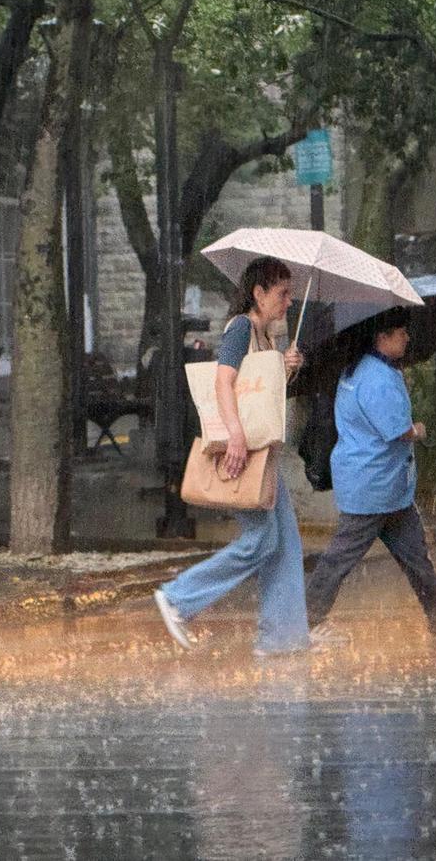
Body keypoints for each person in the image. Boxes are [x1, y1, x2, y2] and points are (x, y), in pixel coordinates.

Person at [154, 257, 315, 657]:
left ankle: (281, 639)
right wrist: (236, 438)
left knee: (286, 544)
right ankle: (178, 596)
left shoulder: (266, 337)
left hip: (261, 455)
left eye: (291, 293)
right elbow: (224, 381)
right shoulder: (241, 328)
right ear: (258, 293)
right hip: (243, 453)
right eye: (282, 293)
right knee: (264, 540)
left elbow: (258, 393)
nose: (289, 301)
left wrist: (285, 367)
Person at [304, 307, 436, 639]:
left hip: (382, 486)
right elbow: (396, 430)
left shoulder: (359, 369)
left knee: (414, 555)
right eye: (400, 331)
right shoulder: (377, 378)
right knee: (340, 558)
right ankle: (307, 620)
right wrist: (418, 429)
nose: (406, 336)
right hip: (374, 487)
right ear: (382, 337)